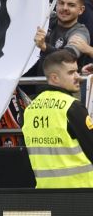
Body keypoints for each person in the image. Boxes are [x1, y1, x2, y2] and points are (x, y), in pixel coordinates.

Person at [22, 48, 93, 188]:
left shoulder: (30, 109)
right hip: (81, 192)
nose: (78, 76)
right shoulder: (72, 107)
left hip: (47, 193)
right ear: (54, 78)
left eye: (77, 71)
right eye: (71, 72)